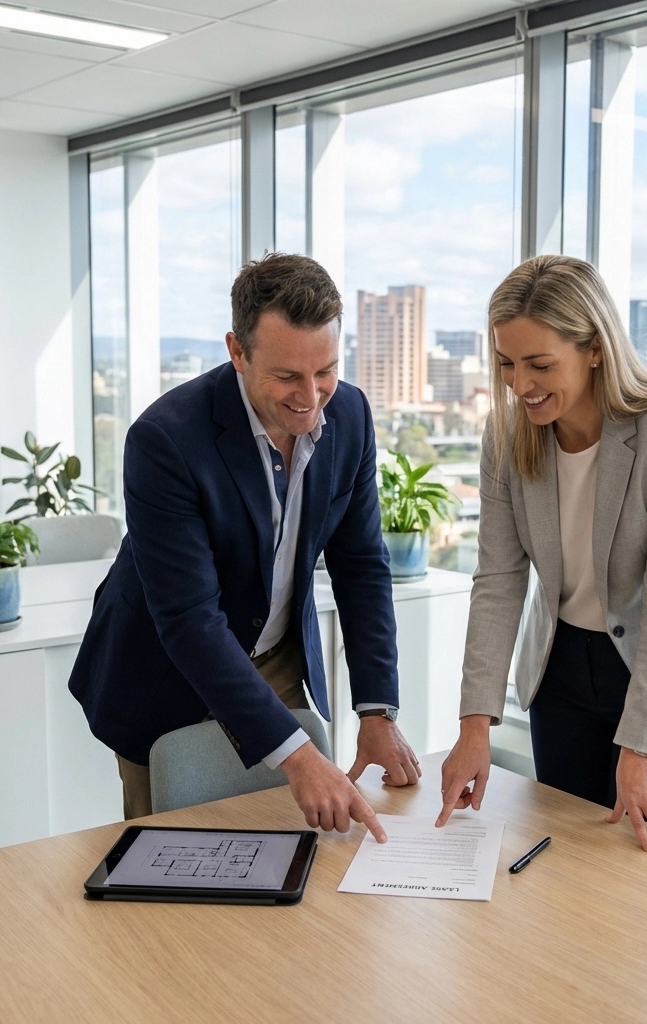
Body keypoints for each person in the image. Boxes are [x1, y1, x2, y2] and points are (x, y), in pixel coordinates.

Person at [70, 253, 420, 842]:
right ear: (238, 351)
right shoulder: (166, 440)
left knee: (289, 845)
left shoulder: (353, 415)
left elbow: (361, 566)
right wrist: (302, 757)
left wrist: (377, 711)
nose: (311, 398)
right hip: (164, 671)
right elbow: (189, 619)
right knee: (173, 860)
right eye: (286, 376)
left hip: (274, 656)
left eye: (326, 371)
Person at [437, 255, 647, 852]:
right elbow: (499, 581)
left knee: (646, 873)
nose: (519, 384)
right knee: (564, 859)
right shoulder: (506, 438)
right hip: (562, 671)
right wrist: (474, 725)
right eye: (506, 363)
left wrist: (640, 747)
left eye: (539, 364)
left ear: (594, 348)